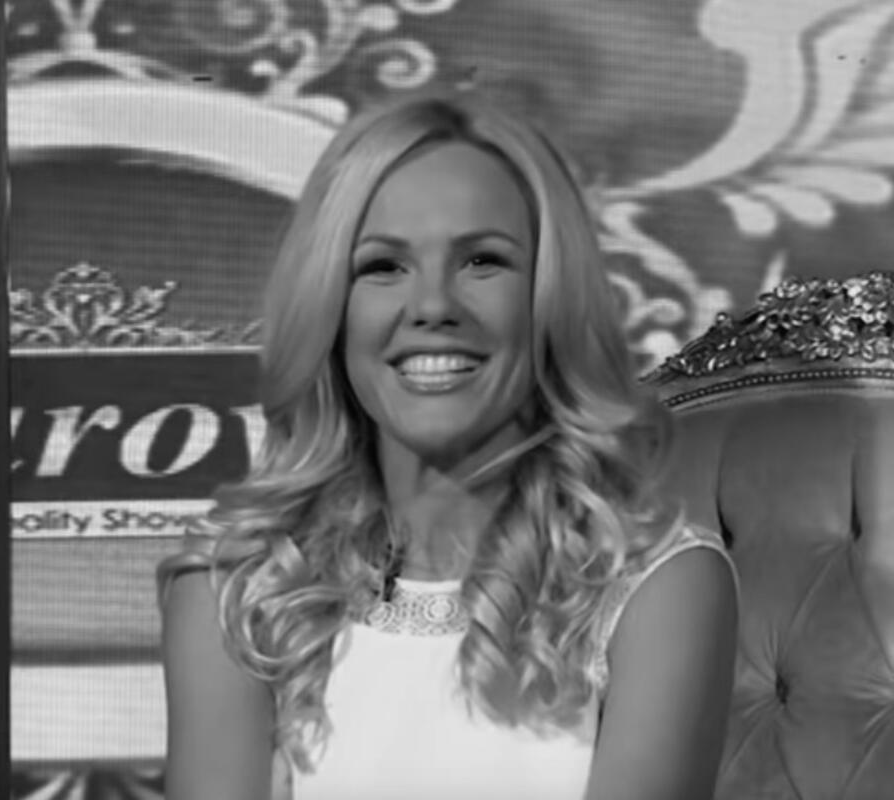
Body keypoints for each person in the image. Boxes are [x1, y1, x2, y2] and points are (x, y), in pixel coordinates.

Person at [157, 88, 739, 800]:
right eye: (383, 267)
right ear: (330, 309)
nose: (433, 306)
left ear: (549, 297)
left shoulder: (655, 587)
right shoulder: (243, 594)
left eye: (482, 261)